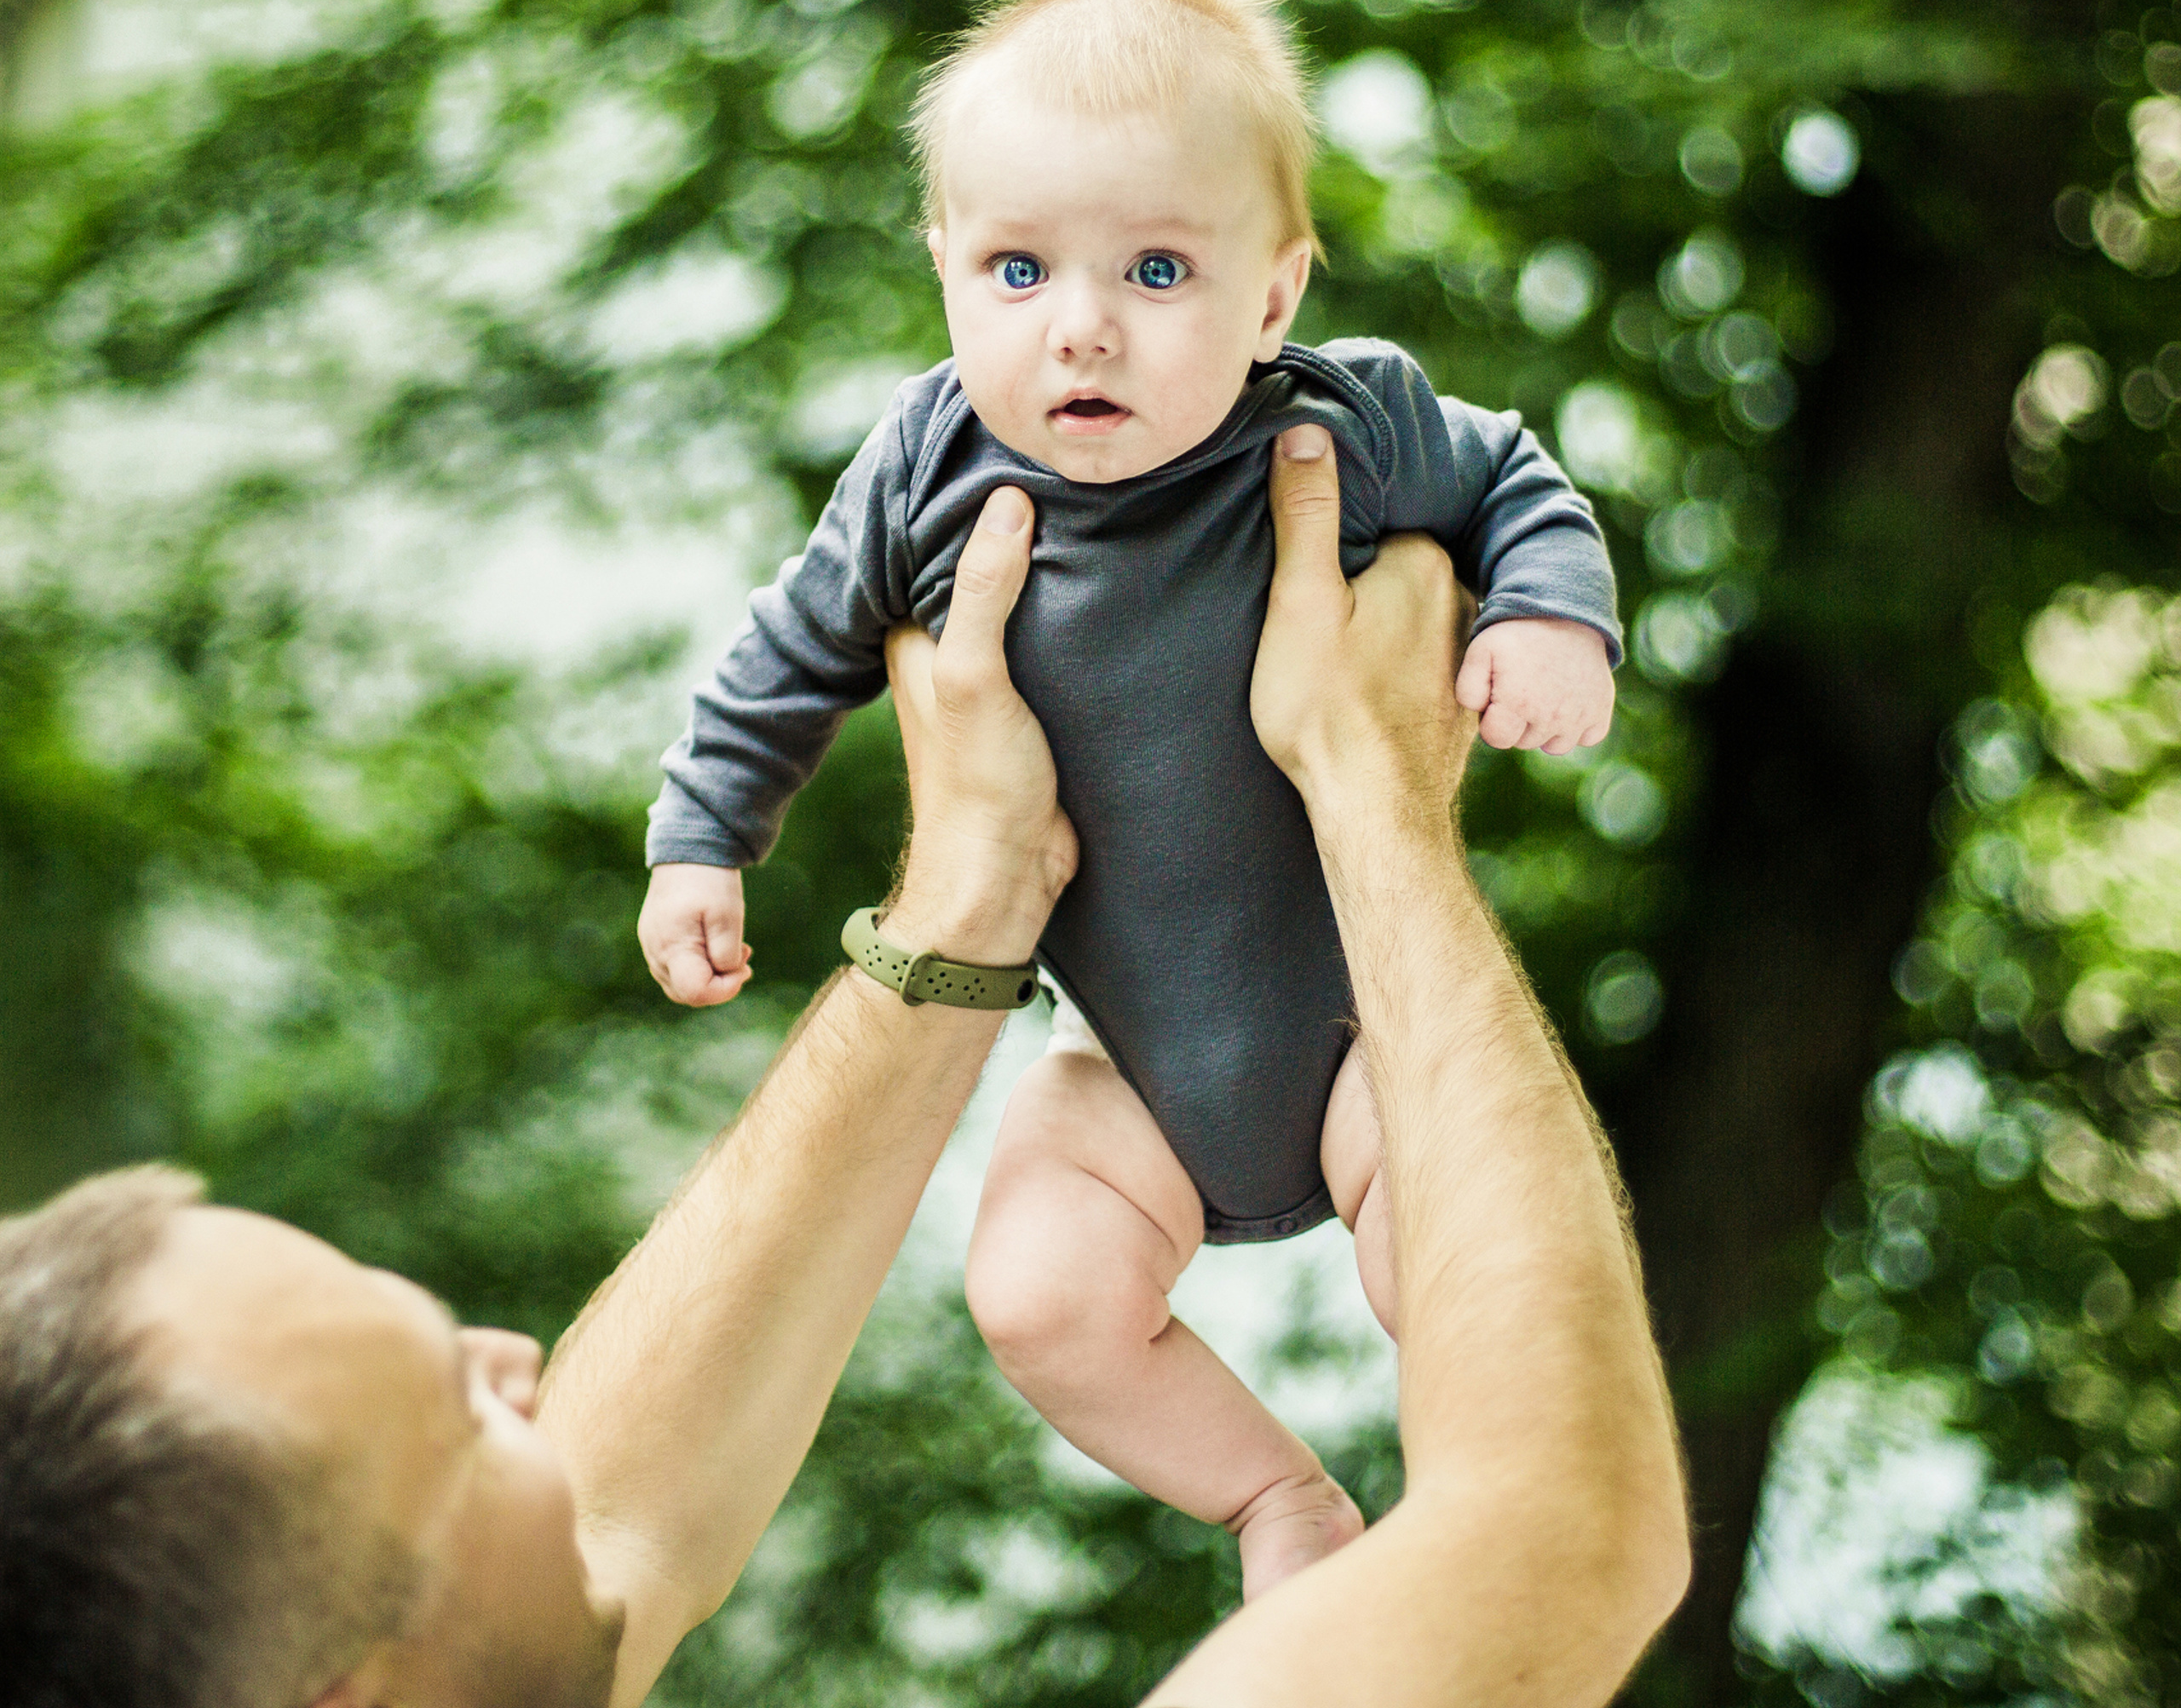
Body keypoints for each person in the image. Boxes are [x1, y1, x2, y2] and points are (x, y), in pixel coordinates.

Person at [0, 433, 1683, 1708]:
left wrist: (979, 882)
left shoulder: (400, 1641)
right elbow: (1565, 1528)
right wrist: (1368, 790)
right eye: (460, 1411)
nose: (521, 1358)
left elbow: (621, 1508)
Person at [640, 0, 1621, 1591]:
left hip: (1353, 1029)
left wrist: (1546, 617)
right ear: (943, 261)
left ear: (1271, 286)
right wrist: (700, 828)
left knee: (1451, 1249)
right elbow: (791, 643)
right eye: (1018, 271)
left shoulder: (1337, 412)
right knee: (1033, 1286)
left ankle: (1485, 1527)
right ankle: (1276, 1499)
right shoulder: (922, 468)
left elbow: (1516, 478)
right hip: (1124, 1077)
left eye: (1154, 270)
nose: (1079, 327)